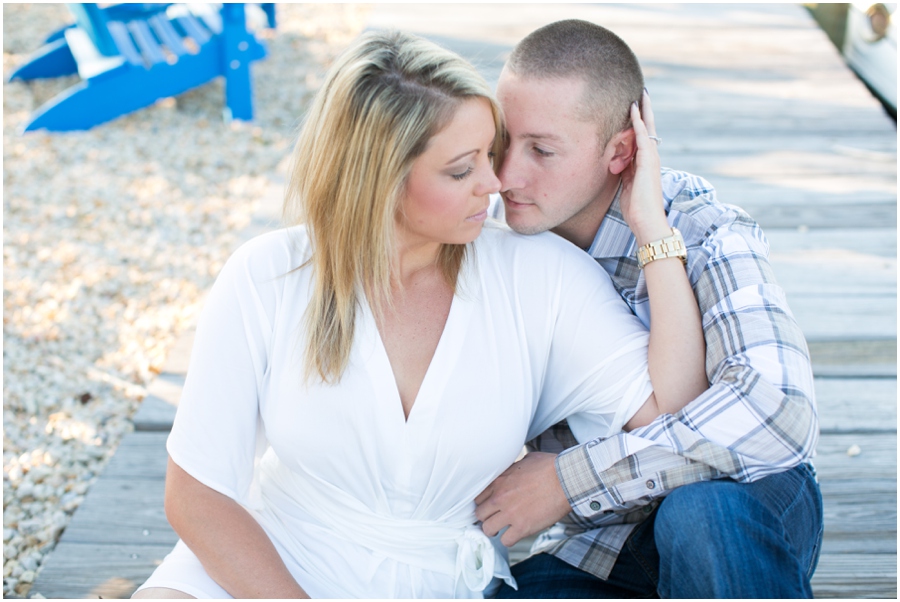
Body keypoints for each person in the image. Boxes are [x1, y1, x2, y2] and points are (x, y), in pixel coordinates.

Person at [132, 30, 707, 599]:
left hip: (439, 580)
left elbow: (674, 410)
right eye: (462, 170)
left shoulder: (540, 277)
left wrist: (652, 229)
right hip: (270, 570)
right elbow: (197, 494)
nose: (496, 182)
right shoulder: (269, 275)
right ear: (377, 180)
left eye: (490, 152)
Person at [474, 19, 824, 598]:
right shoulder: (490, 244)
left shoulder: (704, 229)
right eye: (502, 143)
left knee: (698, 516)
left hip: (739, 505)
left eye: (542, 149)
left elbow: (776, 417)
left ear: (622, 150)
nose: (506, 176)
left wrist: (570, 479)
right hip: (599, 542)